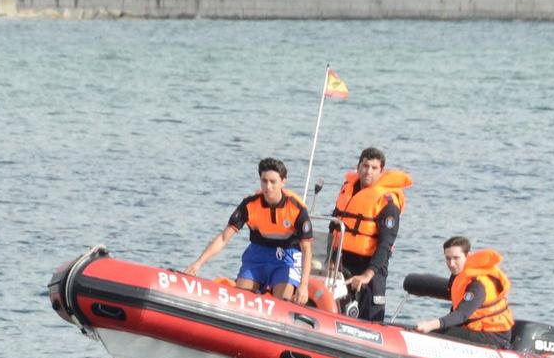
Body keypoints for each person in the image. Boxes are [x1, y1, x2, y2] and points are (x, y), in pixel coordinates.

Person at [186, 157, 313, 302]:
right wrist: (198, 263)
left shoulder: (296, 208)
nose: (268, 187)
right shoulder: (250, 204)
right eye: (264, 181)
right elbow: (223, 238)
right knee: (241, 299)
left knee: (282, 302)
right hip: (257, 255)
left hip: (285, 259)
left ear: (283, 181)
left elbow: (306, 249)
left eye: (273, 182)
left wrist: (304, 285)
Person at [327, 147, 411, 323]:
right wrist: (329, 258)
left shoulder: (387, 202)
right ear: (358, 167)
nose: (368, 171)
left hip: (371, 266)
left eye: (374, 168)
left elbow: (385, 244)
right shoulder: (347, 191)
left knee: (370, 314)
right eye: (365, 166)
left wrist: (367, 275)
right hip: (344, 262)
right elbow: (333, 226)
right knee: (338, 309)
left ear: (382, 172)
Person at [414, 236, 514, 347]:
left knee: (434, 332)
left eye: (456, 258)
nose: (451, 264)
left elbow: (462, 314)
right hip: (474, 328)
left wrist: (431, 324)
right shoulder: (460, 275)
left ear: (468, 255)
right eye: (448, 258)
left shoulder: (478, 284)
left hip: (494, 336)